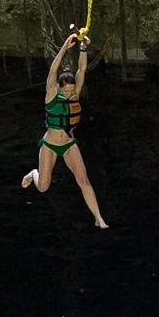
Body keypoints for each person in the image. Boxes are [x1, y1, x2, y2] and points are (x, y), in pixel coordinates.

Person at [21, 31, 108, 228]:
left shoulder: (75, 93)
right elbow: (53, 72)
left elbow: (82, 69)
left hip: (68, 144)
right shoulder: (51, 95)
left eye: (72, 90)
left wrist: (83, 47)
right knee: (43, 187)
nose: (70, 93)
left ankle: (98, 217)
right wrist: (65, 47)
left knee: (83, 179)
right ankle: (32, 173)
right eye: (66, 91)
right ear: (59, 88)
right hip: (50, 145)